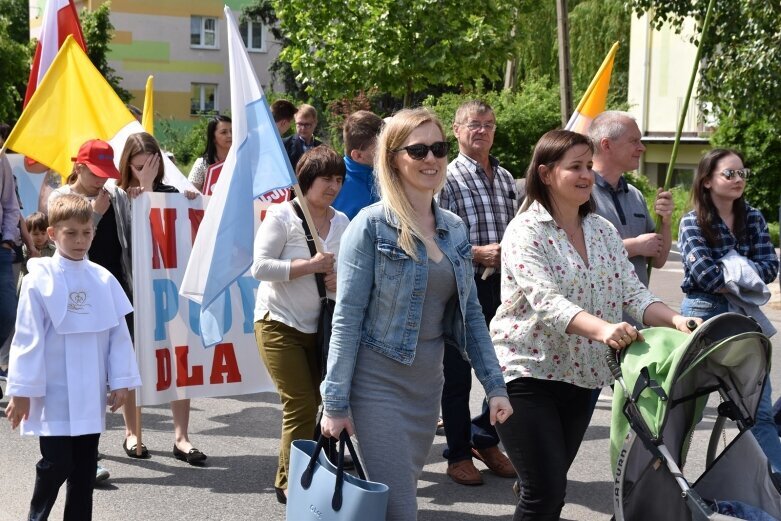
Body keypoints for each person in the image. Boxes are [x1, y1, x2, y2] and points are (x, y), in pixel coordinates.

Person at [491, 129, 700, 521]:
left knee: (547, 488)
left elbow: (633, 294)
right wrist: (604, 329)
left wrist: (678, 320)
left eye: (589, 165)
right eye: (575, 167)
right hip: (525, 373)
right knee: (545, 494)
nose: (587, 174)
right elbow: (547, 303)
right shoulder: (525, 230)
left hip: (584, 377)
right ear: (546, 173)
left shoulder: (602, 231)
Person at [320, 108, 513, 520]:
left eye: (438, 149)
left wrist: (495, 385)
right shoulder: (369, 227)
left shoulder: (455, 229)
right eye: (418, 150)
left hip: (428, 388)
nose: (431, 159)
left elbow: (472, 317)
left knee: (394, 502)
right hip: (376, 387)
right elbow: (347, 319)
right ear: (393, 158)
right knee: (400, 508)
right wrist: (335, 403)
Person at [4, 194, 141, 521]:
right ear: (53, 234)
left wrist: (120, 381)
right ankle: (36, 517)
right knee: (57, 463)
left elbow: (118, 336)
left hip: (90, 391)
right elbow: (27, 336)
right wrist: (21, 391)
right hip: (55, 391)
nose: (80, 240)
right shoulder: (40, 279)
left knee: (83, 470)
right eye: (71, 233)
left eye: (86, 232)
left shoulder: (104, 279)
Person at [252, 146, 349, 503]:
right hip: (277, 322)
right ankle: (289, 482)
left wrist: (338, 279)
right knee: (301, 403)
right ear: (306, 179)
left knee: (318, 403)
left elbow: (346, 272)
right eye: (326, 178)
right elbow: (259, 267)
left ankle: (309, 470)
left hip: (320, 328)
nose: (333, 186)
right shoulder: (282, 216)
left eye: (339, 179)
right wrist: (310, 266)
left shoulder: (342, 222)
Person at [679, 148, 781, 473]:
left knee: (759, 410)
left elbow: (769, 270)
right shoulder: (692, 221)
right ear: (707, 180)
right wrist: (742, 271)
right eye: (730, 173)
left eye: (742, 173)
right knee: (684, 409)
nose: (739, 180)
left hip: (746, 319)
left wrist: (732, 269)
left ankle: (774, 482)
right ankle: (669, 479)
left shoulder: (753, 217)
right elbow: (705, 277)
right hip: (702, 315)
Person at [436, 100, 517, 485]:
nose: (481, 130)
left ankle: (483, 438)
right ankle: (456, 452)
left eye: (488, 124)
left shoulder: (505, 177)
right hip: (461, 287)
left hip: (503, 288)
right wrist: (475, 252)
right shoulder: (446, 178)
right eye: (473, 124)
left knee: (505, 371)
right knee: (457, 376)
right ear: (456, 130)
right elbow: (431, 236)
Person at [116, 132, 203, 465]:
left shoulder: (171, 194)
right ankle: (132, 432)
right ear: (127, 165)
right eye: (139, 167)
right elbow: (134, 239)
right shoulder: (118, 196)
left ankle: (181, 437)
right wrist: (146, 189)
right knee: (133, 360)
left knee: (179, 360)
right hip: (132, 291)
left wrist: (191, 199)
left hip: (169, 290)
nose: (144, 173)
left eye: (151, 166)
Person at [48, 139, 132, 482]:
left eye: (105, 173)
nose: (101, 180)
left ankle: (86, 456)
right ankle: (70, 456)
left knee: (96, 377)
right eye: (95, 172)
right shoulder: (60, 197)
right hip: (71, 297)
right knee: (73, 380)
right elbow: (67, 236)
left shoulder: (114, 195)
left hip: (104, 286)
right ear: (78, 166)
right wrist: (94, 212)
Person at [588, 111, 674, 291]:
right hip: (596, 315)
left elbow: (658, 260)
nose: (642, 148)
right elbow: (577, 254)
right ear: (607, 145)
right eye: (634, 141)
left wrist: (665, 222)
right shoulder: (581, 193)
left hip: (636, 315)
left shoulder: (635, 194)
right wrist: (636, 246)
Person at [331, 110, 383, 220]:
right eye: (380, 149)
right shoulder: (333, 185)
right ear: (358, 156)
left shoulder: (390, 173)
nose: (388, 152)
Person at [188, 115, 232, 194]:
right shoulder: (203, 163)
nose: (230, 135)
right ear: (213, 138)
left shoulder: (241, 162)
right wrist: (191, 193)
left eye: (232, 131)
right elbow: (190, 189)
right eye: (224, 132)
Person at [282, 104, 323, 170]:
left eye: (307, 124)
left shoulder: (323, 148)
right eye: (300, 124)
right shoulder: (284, 145)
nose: (303, 128)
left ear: (315, 123)